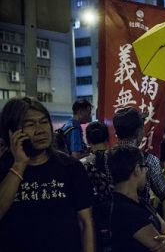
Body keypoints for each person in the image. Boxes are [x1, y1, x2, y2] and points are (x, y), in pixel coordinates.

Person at [0, 96, 95, 252]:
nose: (40, 130)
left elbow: (85, 223)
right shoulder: (4, 168)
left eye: (44, 122)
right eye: (30, 124)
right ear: (12, 132)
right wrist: (19, 165)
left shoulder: (70, 167)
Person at [108, 145, 165, 252]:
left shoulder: (140, 201)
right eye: (144, 167)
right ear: (137, 169)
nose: (146, 172)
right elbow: (160, 245)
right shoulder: (125, 210)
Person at [112, 107, 165, 203]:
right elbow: (162, 192)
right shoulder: (149, 160)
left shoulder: (103, 157)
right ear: (139, 132)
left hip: (108, 215)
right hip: (138, 215)